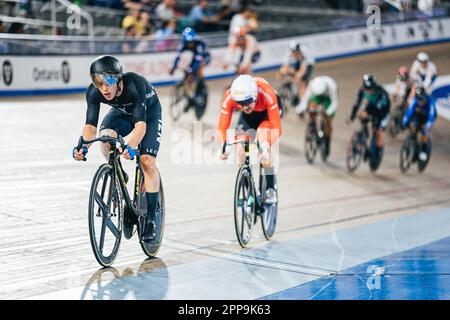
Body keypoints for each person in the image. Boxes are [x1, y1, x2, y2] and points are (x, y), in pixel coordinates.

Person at [72, 55, 163, 242]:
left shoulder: (134, 84)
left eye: (109, 82)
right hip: (122, 113)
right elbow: (90, 128)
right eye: (99, 83)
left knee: (146, 161)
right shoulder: (94, 92)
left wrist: (130, 146)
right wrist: (83, 147)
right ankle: (118, 172)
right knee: (105, 136)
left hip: (148, 115)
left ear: (119, 78)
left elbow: (141, 127)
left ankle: (152, 219)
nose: (104, 88)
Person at [217, 75, 282, 204]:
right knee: (241, 150)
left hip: (267, 115)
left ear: (255, 95)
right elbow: (222, 127)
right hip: (249, 119)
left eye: (247, 102)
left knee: (263, 139)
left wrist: (266, 145)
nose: (244, 107)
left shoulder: (267, 93)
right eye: (240, 104)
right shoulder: (230, 97)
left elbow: (277, 129)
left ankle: (270, 189)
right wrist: (223, 146)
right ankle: (249, 194)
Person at [348, 74, 390, 159]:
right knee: (363, 116)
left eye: (370, 89)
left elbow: (380, 110)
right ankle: (364, 134)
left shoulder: (381, 92)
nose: (368, 91)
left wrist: (369, 116)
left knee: (378, 131)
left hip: (383, 111)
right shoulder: (362, 90)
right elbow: (357, 104)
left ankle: (377, 154)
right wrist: (352, 117)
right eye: (366, 89)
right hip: (371, 106)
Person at [296, 76, 338, 157]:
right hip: (316, 97)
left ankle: (327, 139)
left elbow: (334, 103)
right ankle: (313, 126)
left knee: (328, 120)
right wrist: (300, 109)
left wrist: (328, 113)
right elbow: (305, 100)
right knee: (311, 108)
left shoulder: (332, 86)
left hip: (328, 98)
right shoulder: (312, 85)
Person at [169, 27, 211, 108]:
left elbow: (198, 60)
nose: (191, 43)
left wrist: (192, 70)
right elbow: (177, 57)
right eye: (189, 42)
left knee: (197, 69)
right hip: (196, 56)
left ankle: (201, 89)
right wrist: (173, 68)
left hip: (205, 56)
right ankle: (190, 96)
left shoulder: (199, 44)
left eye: (192, 41)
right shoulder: (183, 44)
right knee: (188, 73)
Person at [402, 86, 437, 162]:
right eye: (418, 99)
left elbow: (431, 115)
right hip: (418, 115)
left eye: (421, 99)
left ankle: (423, 151)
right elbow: (410, 111)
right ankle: (412, 141)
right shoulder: (416, 100)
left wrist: (427, 125)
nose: (419, 101)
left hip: (427, 117)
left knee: (424, 133)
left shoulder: (430, 101)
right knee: (413, 126)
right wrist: (405, 121)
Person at [279, 41, 315, 108]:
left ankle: (303, 101)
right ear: (291, 51)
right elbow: (284, 67)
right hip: (299, 62)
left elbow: (302, 70)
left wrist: (298, 77)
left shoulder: (304, 52)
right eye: (294, 52)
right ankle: (296, 92)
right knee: (288, 73)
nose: (295, 53)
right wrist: (282, 73)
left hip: (308, 64)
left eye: (297, 52)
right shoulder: (288, 52)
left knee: (302, 82)